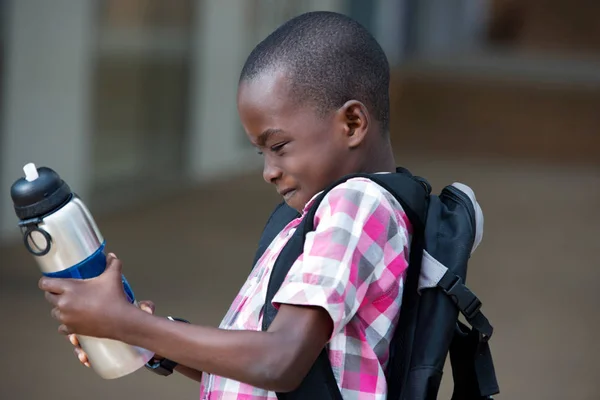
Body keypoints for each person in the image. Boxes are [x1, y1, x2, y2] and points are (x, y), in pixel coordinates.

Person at [38, 11, 413, 399]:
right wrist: (150, 341)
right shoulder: (329, 213)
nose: (269, 171)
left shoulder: (356, 204)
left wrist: (125, 322)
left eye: (279, 146)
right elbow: (267, 372)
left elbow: (278, 361)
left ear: (351, 123)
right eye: (261, 153)